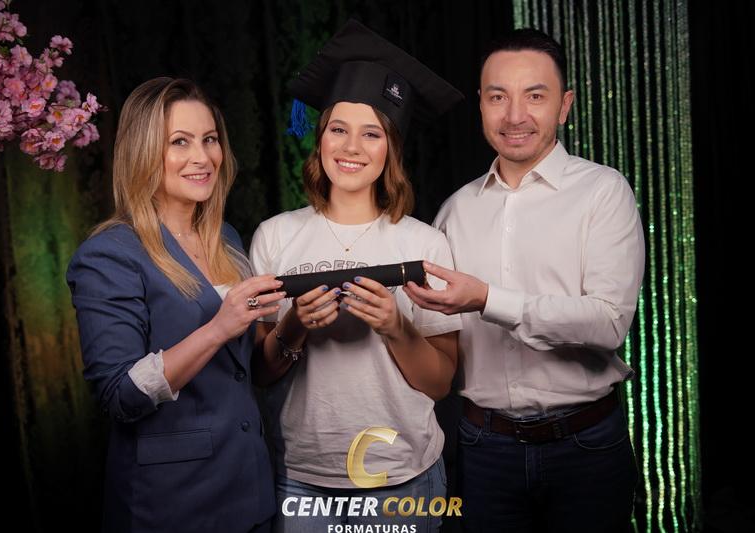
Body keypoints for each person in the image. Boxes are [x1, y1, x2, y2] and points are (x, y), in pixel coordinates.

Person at [404, 28, 645, 533]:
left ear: (564, 105)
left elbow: (608, 323)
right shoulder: (455, 210)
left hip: (586, 446)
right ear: (481, 105)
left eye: (535, 96)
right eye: (498, 97)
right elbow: (436, 339)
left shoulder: (603, 192)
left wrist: (487, 299)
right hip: (483, 448)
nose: (515, 116)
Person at [249, 20, 463, 533]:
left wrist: (395, 326)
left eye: (372, 134)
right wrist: (294, 326)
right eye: (338, 129)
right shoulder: (275, 236)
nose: (351, 147)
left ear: (391, 148)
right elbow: (259, 372)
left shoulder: (425, 244)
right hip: (302, 478)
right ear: (320, 138)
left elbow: (440, 383)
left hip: (403, 476)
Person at [66, 77, 285, 533]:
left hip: (251, 489)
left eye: (210, 139)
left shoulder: (227, 239)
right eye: (179, 142)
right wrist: (218, 328)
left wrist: (299, 325)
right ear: (144, 153)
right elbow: (120, 396)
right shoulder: (109, 253)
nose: (202, 157)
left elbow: (245, 372)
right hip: (172, 505)